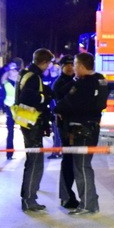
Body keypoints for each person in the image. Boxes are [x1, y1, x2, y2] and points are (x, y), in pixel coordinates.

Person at [54, 52, 109, 215]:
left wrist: (58, 109)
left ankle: (88, 204)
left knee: (82, 167)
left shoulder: (83, 84)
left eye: (76, 65)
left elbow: (63, 104)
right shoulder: (101, 79)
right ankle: (90, 202)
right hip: (92, 128)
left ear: (81, 66)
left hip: (81, 131)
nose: (74, 68)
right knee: (83, 166)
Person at [16, 48, 54, 212]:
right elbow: (27, 97)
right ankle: (28, 199)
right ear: (44, 62)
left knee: (35, 160)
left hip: (27, 122)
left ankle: (30, 197)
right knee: (34, 162)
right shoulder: (33, 77)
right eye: (49, 63)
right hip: (32, 124)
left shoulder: (26, 73)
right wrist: (45, 97)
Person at [51, 55, 79, 209]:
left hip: (73, 126)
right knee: (68, 161)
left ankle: (68, 195)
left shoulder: (75, 81)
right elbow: (59, 101)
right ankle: (66, 196)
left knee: (72, 162)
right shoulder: (60, 83)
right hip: (65, 127)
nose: (69, 67)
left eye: (71, 64)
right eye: (66, 65)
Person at [0, 63, 18, 160]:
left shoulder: (20, 83)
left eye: (16, 71)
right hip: (10, 109)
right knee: (10, 132)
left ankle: (30, 153)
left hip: (19, 109)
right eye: (13, 71)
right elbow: (2, 97)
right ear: (10, 73)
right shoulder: (6, 83)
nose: (15, 73)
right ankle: (9, 153)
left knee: (26, 132)